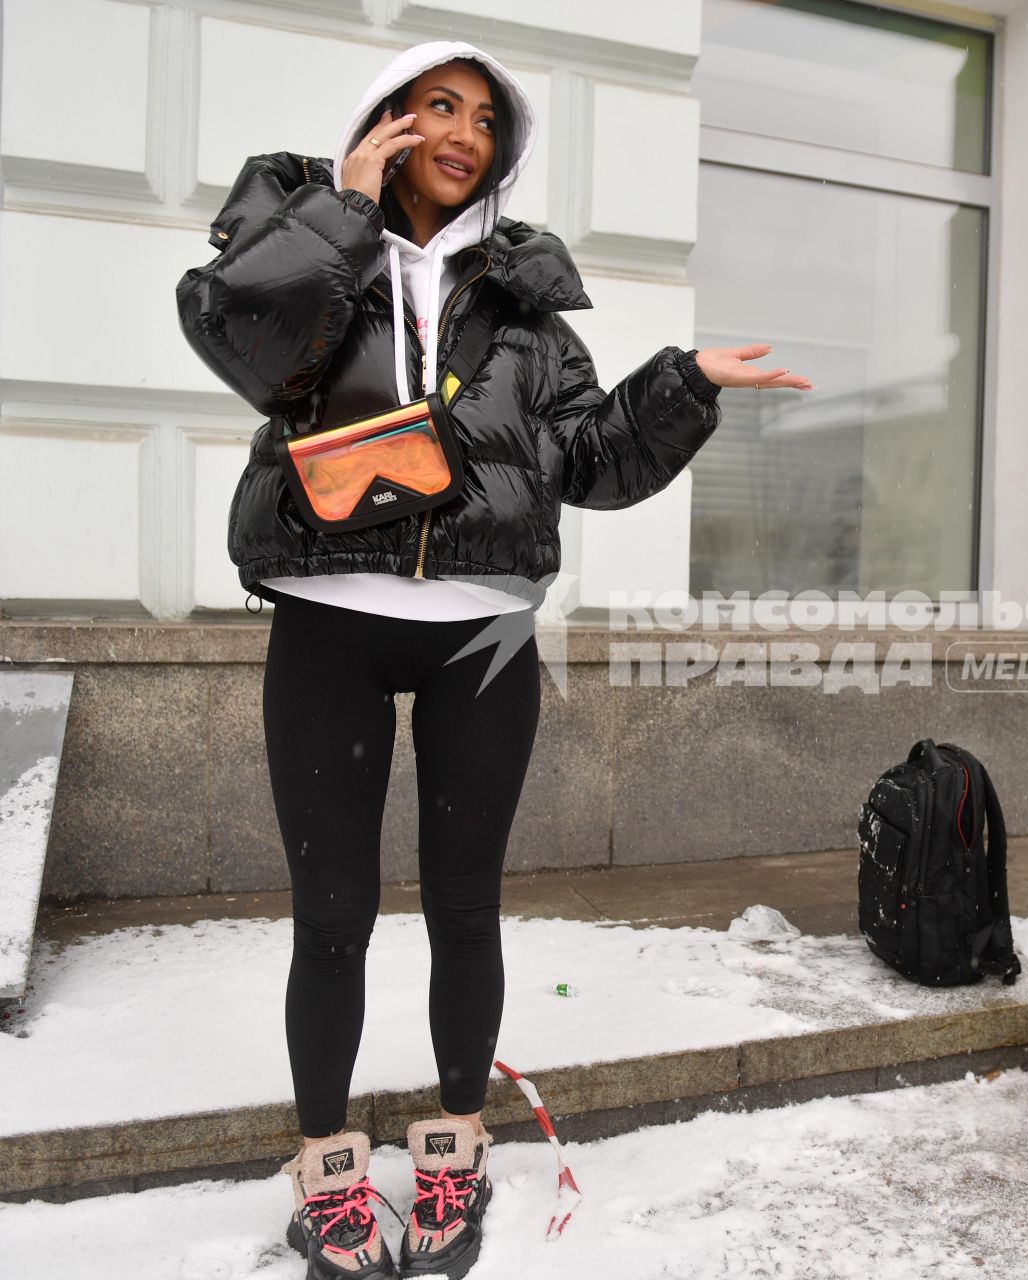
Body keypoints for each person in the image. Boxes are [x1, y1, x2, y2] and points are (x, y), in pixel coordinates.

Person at [176, 41, 809, 1280]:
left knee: (465, 907)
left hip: (482, 632)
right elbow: (251, 352)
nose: (461, 132)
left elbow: (593, 463)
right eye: (437, 106)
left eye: (484, 119)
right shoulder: (301, 235)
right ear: (389, 119)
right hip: (328, 618)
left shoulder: (523, 298)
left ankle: (456, 1142)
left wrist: (683, 382)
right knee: (333, 918)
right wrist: (345, 215)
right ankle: (329, 1168)